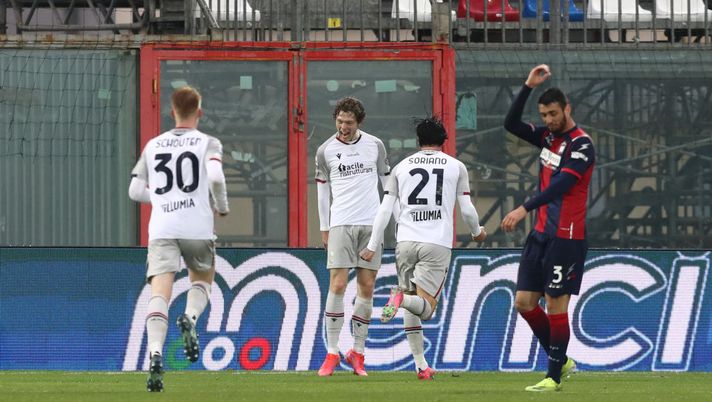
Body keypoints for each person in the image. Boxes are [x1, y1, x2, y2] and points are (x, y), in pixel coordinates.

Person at [359, 116, 487, 380]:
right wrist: (477, 232)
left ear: (418, 141)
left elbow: (385, 209)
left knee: (413, 304)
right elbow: (467, 209)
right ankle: (399, 299)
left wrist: (373, 245)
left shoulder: (401, 167)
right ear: (445, 140)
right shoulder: (456, 166)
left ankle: (420, 365)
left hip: (405, 242)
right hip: (435, 243)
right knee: (426, 308)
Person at [128, 86, 229, 392]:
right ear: (199, 111)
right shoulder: (208, 142)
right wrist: (221, 206)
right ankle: (189, 317)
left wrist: (160, 200)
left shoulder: (153, 145)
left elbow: (134, 191)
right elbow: (214, 177)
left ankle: (155, 354)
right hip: (196, 226)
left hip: (162, 228)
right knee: (202, 281)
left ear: (172, 111)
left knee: (160, 293)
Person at [502, 64, 595, 392]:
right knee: (524, 302)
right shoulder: (547, 137)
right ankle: (563, 360)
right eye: (544, 115)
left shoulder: (581, 145)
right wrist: (527, 85)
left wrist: (523, 207)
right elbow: (511, 123)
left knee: (556, 305)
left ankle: (553, 376)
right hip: (541, 235)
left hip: (566, 237)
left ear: (567, 109)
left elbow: (561, 186)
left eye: (554, 114)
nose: (549, 120)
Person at [315, 97, 391, 377]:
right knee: (336, 284)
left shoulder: (375, 145)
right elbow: (322, 191)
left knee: (367, 287)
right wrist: (324, 227)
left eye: (348, 122)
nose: (343, 126)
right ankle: (332, 352)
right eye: (339, 121)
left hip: (370, 224)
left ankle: (357, 352)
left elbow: (388, 184)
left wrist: (388, 221)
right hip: (340, 224)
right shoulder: (325, 150)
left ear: (359, 122)